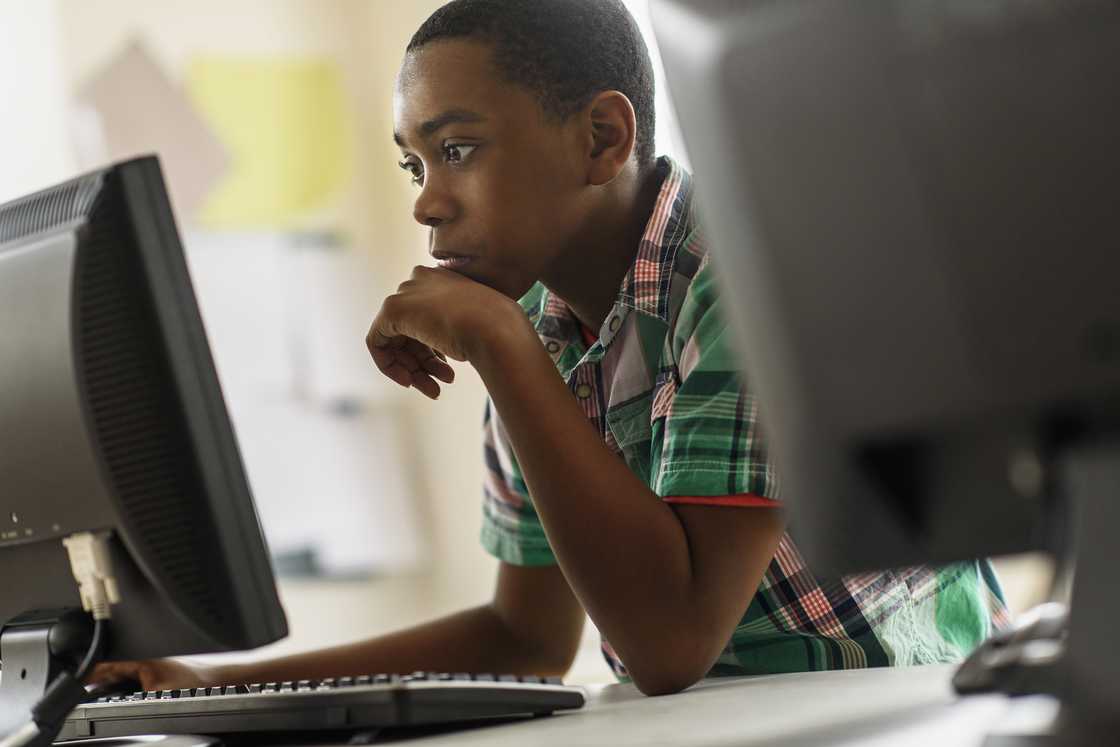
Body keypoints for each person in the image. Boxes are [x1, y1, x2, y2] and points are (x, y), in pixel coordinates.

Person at [94, 0, 1009, 696]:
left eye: (458, 149)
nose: (425, 202)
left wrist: (502, 349)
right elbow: (525, 638)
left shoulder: (741, 274)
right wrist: (215, 686)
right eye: (415, 163)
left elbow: (670, 643)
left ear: (602, 139)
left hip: (895, 706)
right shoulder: (535, 319)